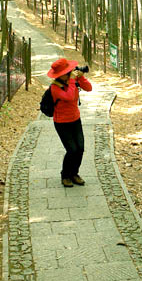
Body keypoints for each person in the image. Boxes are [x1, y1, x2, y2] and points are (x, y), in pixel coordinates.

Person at [47, 58, 92, 187]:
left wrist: (81, 78)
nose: (70, 73)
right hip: (62, 123)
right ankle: (65, 175)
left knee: (80, 148)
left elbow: (89, 88)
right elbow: (69, 96)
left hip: (75, 119)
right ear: (61, 75)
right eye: (68, 72)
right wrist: (72, 80)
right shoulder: (55, 87)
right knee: (72, 149)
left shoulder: (72, 81)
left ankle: (74, 173)